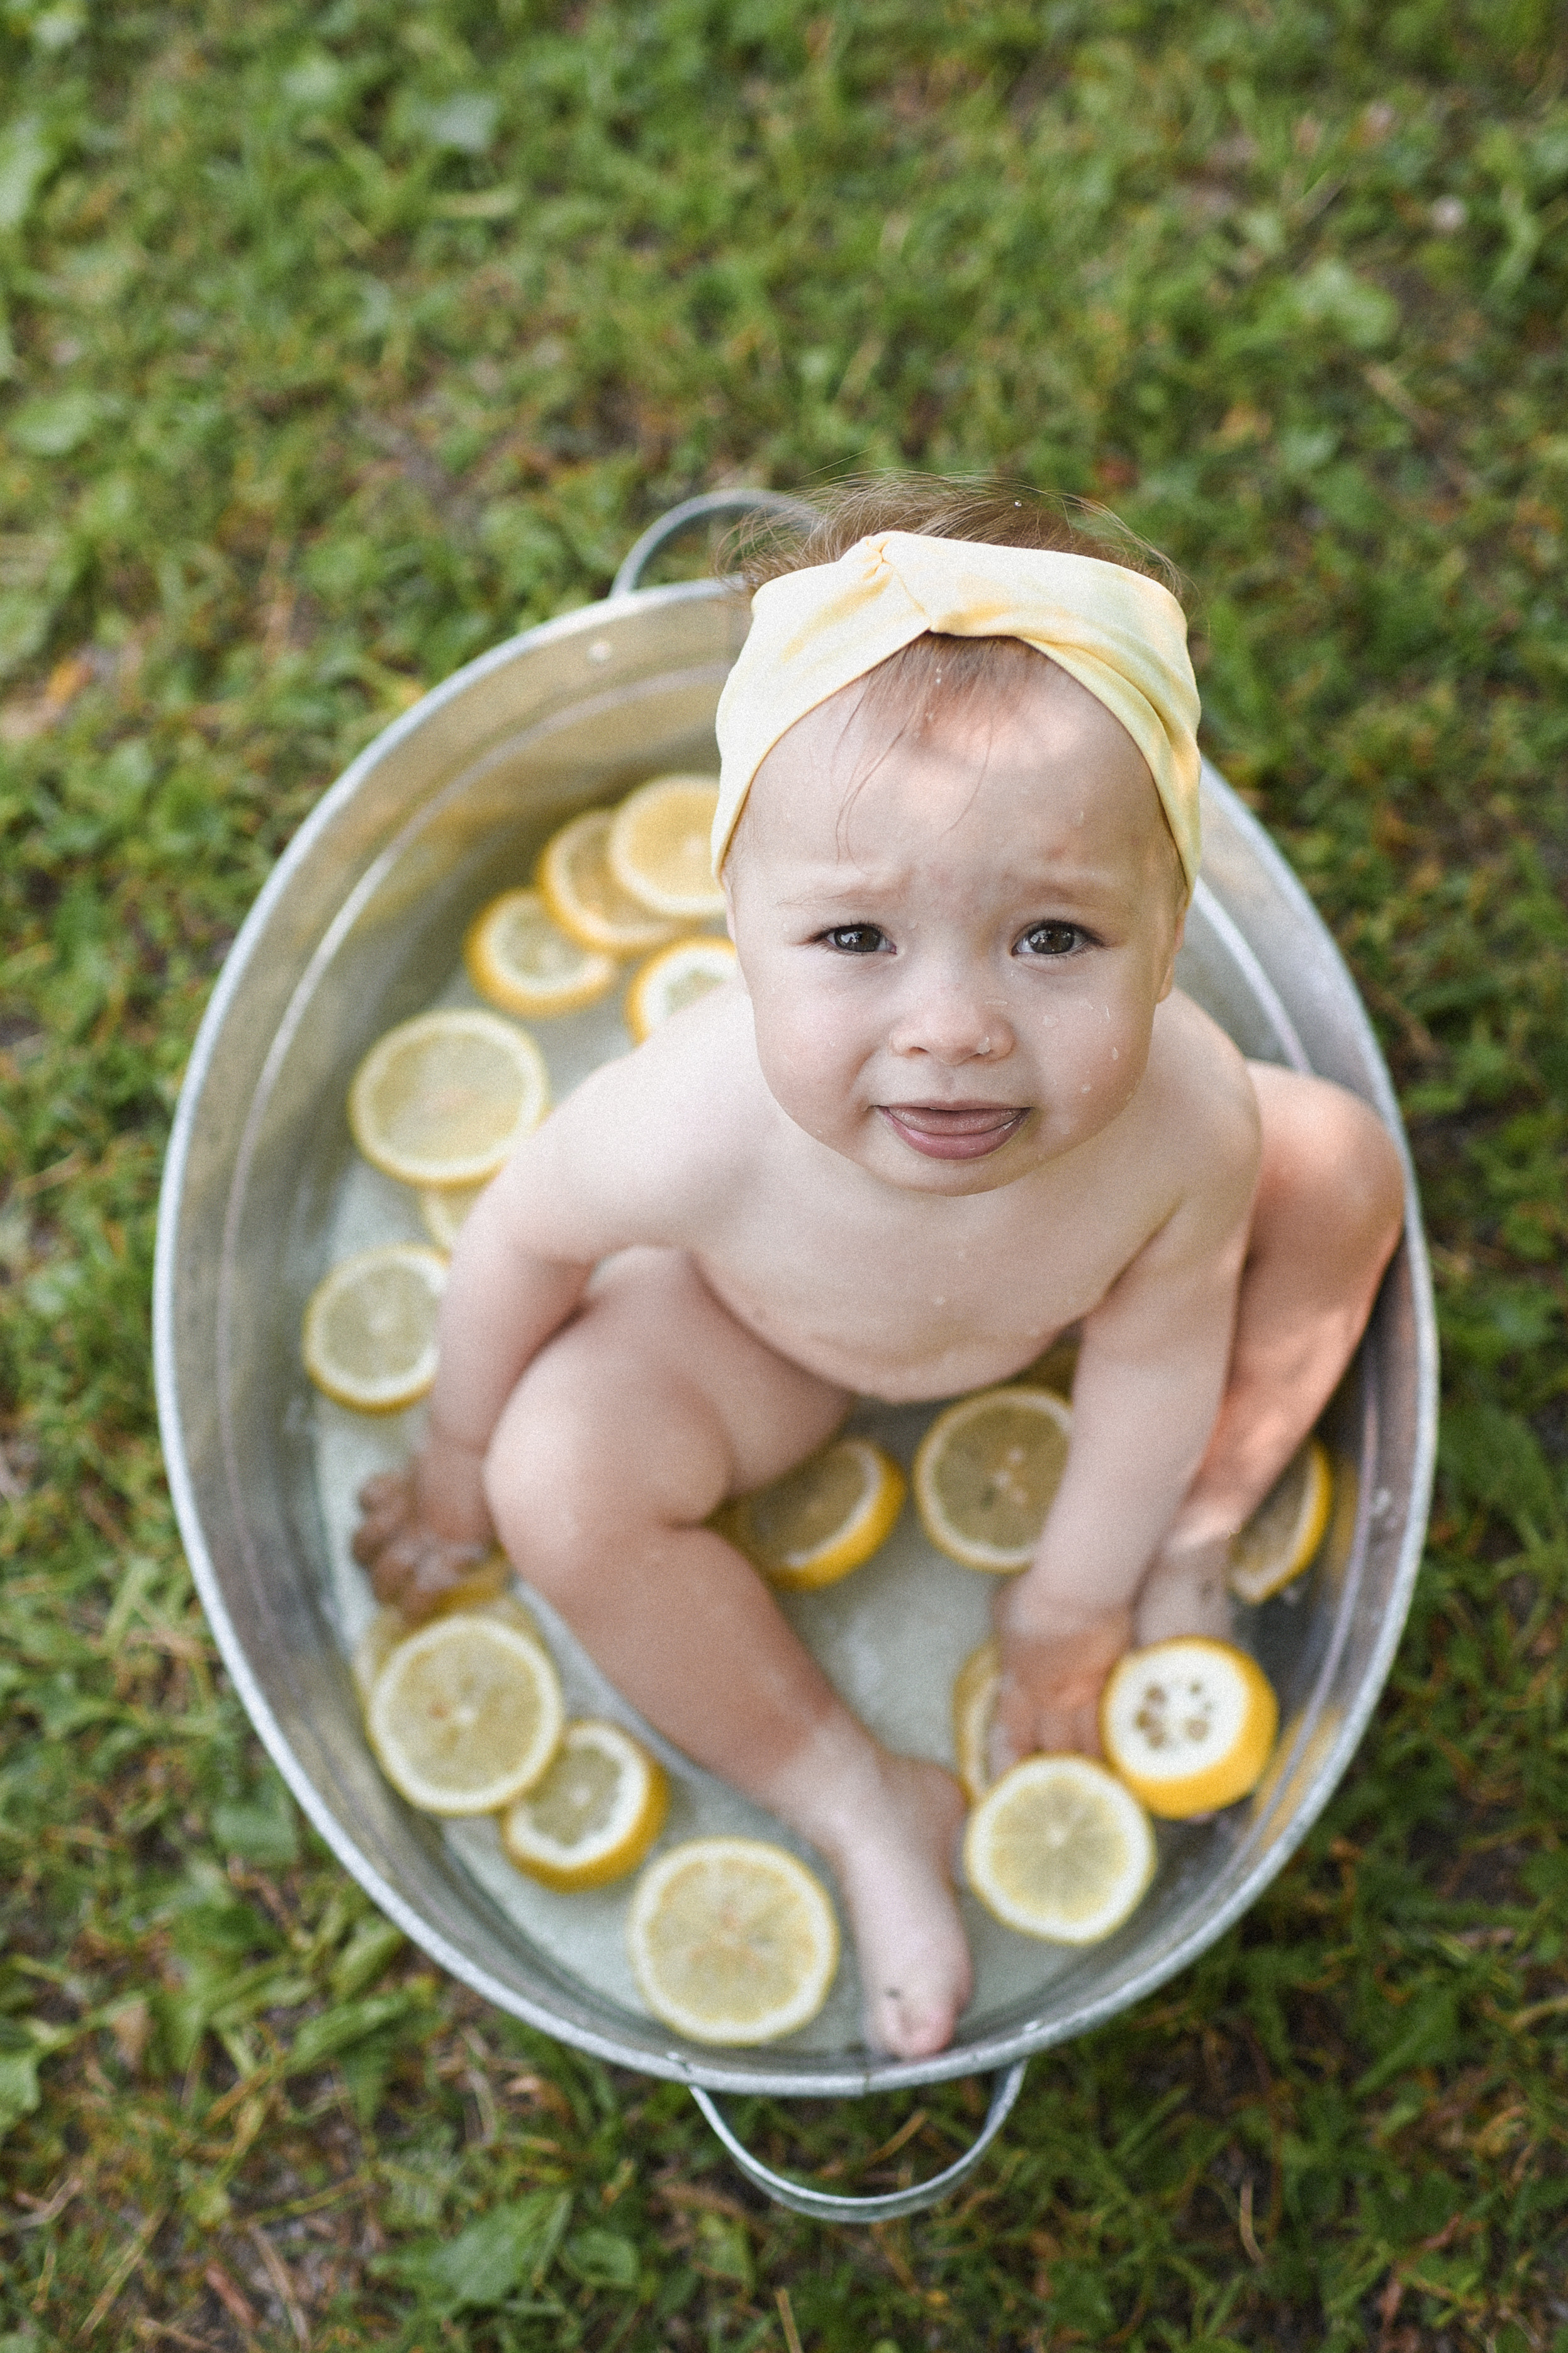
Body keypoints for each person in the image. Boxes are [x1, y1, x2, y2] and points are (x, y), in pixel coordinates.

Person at [353, 481, 1405, 2061]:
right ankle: (854, 1794)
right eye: (853, 939)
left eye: (1053, 937)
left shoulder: (1174, 1123)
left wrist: (1075, 1595)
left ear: (1172, 922)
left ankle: (1206, 1527)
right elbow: (522, 1232)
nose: (952, 1029)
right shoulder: (698, 1123)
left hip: (1045, 1321)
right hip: (757, 1338)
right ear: (736, 921)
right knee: (554, 1476)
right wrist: (451, 1458)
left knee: (1336, 1165)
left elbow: (1152, 1354)